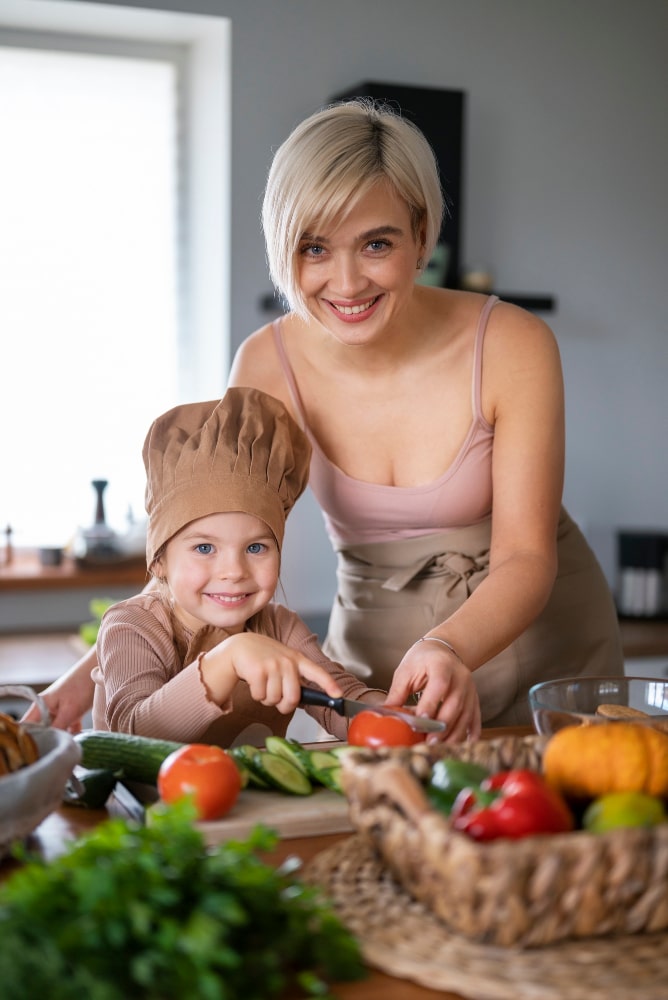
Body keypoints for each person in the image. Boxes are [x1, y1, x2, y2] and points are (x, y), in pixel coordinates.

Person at [31, 99, 622, 740]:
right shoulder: (267, 363)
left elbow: (527, 556)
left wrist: (449, 647)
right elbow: (213, 548)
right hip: (374, 671)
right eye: (314, 247)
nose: (345, 283)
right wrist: (95, 670)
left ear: (422, 234)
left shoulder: (512, 344)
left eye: (376, 243)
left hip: (547, 657)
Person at [90, 386, 386, 746]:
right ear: (160, 561)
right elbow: (132, 733)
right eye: (204, 547)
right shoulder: (133, 625)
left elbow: (337, 700)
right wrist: (229, 657)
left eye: (256, 547)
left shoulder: (280, 627)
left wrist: (385, 713)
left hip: (246, 803)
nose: (234, 571)